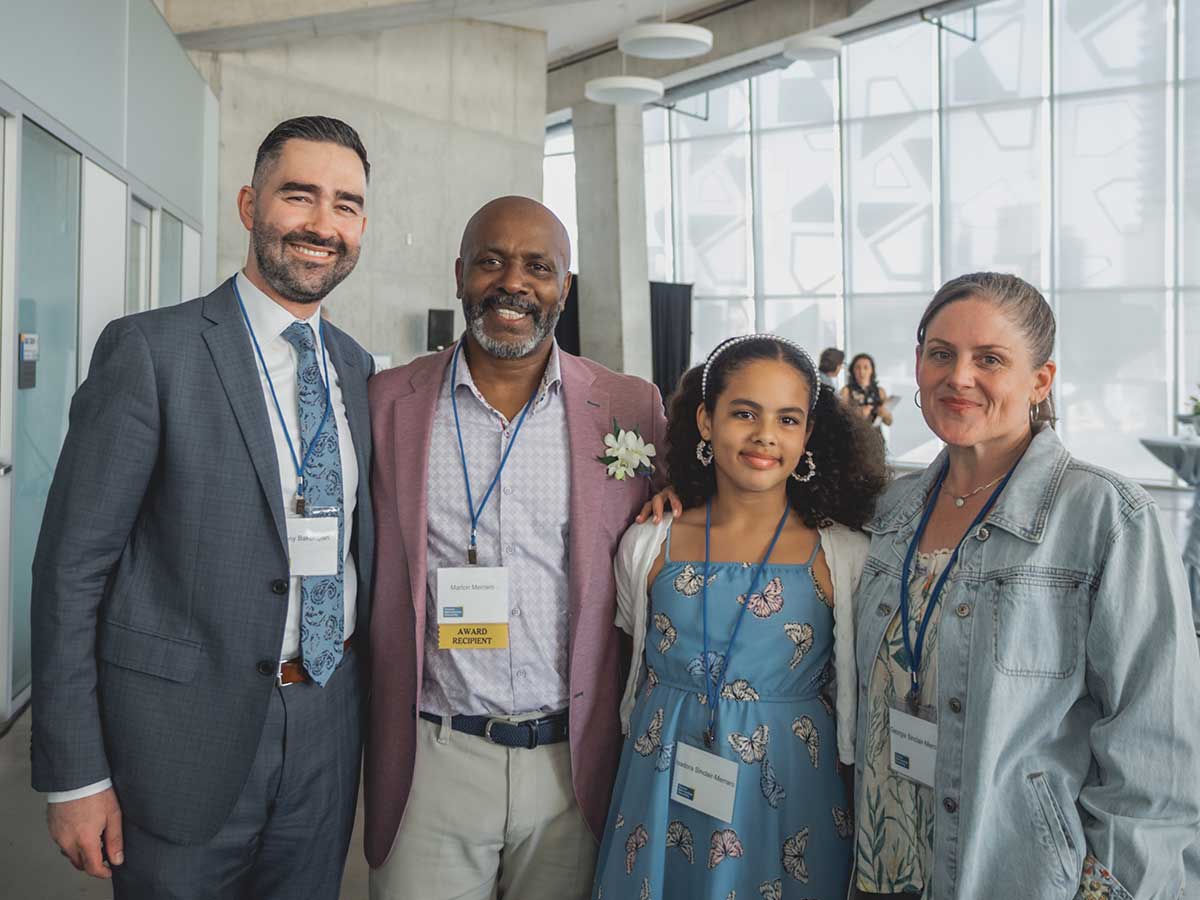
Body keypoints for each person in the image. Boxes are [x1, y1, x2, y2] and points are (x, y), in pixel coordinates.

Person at [31, 116, 375, 899]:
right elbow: (70, 571)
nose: (324, 225)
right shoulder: (152, 352)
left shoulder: (356, 368)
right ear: (250, 204)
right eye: (301, 196)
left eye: (347, 205)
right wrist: (74, 773)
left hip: (326, 722)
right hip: (176, 733)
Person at [851, 272, 1200, 899]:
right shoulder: (890, 512)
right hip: (885, 868)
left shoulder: (1105, 517)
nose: (959, 376)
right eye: (941, 353)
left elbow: (1155, 757)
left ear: (1040, 380)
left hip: (1017, 876)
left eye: (990, 359)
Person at [365, 196, 668, 900]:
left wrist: (674, 506)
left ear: (564, 286)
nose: (513, 282)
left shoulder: (632, 409)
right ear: (460, 274)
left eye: (538, 266)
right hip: (431, 758)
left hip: (576, 762)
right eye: (491, 261)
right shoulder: (385, 403)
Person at [594, 334, 888, 899]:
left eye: (788, 419)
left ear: (808, 434)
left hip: (792, 791)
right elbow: (628, 657)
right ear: (706, 421)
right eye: (745, 413)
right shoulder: (648, 541)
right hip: (662, 782)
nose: (765, 436)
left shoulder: (844, 554)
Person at [840, 352, 893, 431]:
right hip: (854, 437)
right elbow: (840, 419)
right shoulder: (846, 391)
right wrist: (857, 415)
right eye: (858, 368)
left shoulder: (880, 392)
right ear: (853, 371)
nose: (862, 372)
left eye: (866, 367)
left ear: (871, 370)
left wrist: (884, 414)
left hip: (876, 437)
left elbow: (889, 422)